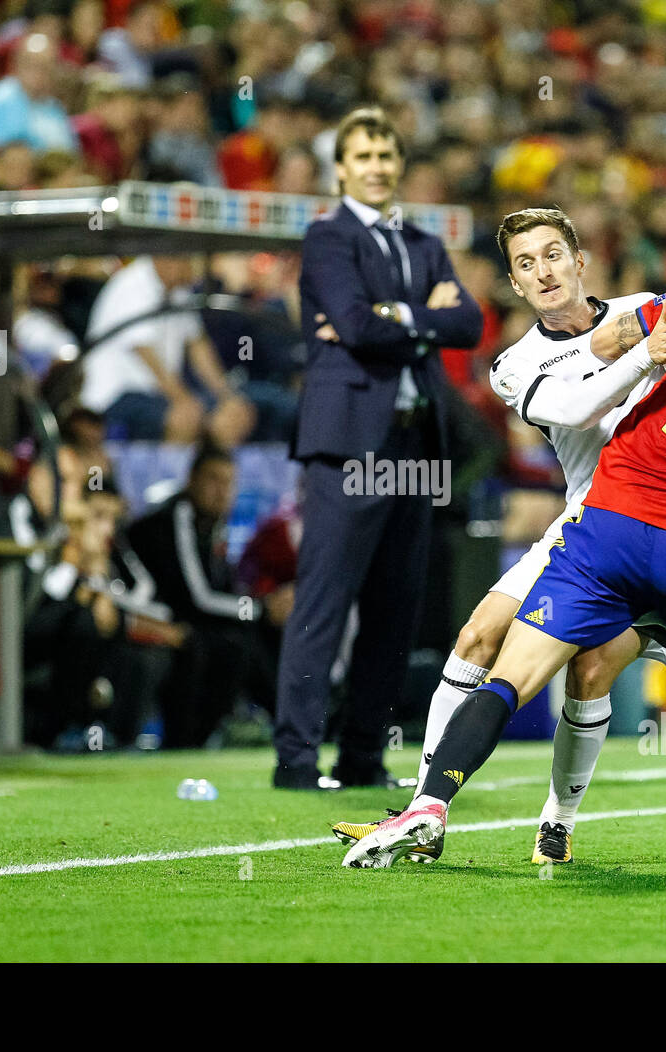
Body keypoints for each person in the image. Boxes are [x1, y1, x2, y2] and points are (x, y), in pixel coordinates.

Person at [345, 230, 666, 868]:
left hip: (608, 522)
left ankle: (430, 806)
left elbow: (614, 341)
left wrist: (623, 351)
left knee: (511, 676)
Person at [330, 207, 666, 864]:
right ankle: (424, 810)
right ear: (515, 286)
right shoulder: (513, 365)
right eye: (526, 264)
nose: (543, 271)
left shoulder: (645, 306)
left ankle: (559, 819)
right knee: (476, 636)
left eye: (553, 254)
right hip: (585, 519)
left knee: (588, 669)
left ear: (581, 261)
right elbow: (577, 408)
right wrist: (632, 350)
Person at [272, 106, 483, 790]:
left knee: (396, 609)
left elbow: (470, 323)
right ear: (340, 169)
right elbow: (357, 327)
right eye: (362, 156)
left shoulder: (421, 241)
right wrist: (423, 319)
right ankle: (296, 761)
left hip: (414, 439)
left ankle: (362, 755)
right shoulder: (329, 238)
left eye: (386, 156)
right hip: (350, 445)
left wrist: (399, 318)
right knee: (325, 603)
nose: (376, 167)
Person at [128, 445, 285, 747]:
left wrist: (259, 611)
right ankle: (187, 741)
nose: (222, 491)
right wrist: (261, 609)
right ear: (191, 480)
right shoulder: (177, 516)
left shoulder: (214, 527)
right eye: (213, 480)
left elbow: (222, 591)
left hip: (189, 618)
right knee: (229, 645)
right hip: (155, 617)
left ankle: (292, 719)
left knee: (253, 637)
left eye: (229, 482)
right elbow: (197, 597)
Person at [79, 254, 255, 446]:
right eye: (191, 260)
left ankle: (210, 473)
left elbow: (198, 346)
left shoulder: (179, 292)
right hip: (115, 397)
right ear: (168, 259)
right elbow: (145, 354)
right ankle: (168, 476)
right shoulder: (132, 285)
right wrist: (183, 400)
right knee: (185, 417)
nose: (196, 271)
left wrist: (227, 395)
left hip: (157, 395)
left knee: (236, 414)